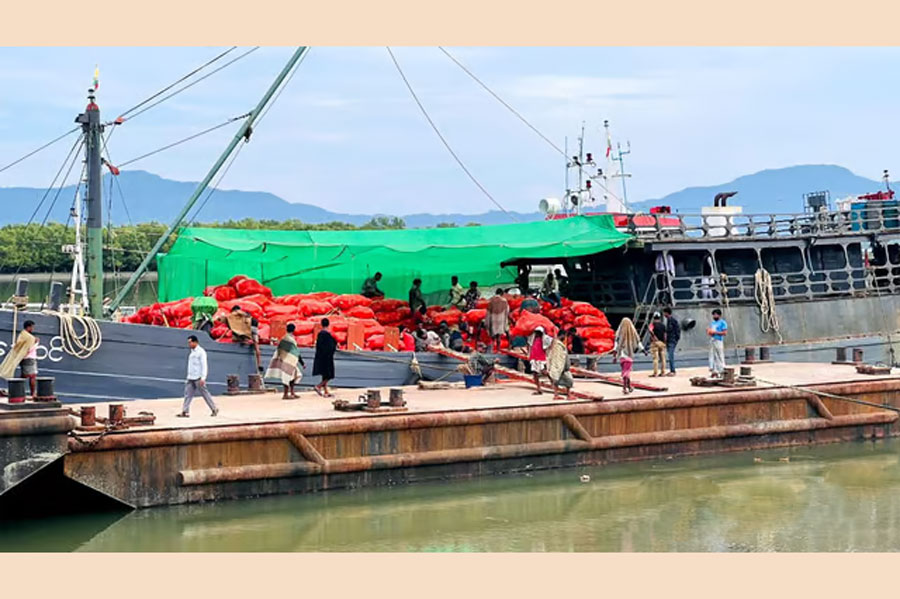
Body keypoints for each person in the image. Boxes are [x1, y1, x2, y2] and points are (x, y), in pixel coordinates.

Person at [177, 335, 218, 417]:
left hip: (198, 377)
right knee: (187, 394)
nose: (189, 344)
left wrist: (203, 377)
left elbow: (204, 365)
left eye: (190, 342)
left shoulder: (201, 352)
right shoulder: (192, 352)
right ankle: (185, 411)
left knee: (205, 393)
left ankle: (214, 408)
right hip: (191, 377)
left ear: (195, 342)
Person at [264, 323, 305, 399]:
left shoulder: (284, 339)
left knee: (294, 376)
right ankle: (285, 394)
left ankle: (292, 392)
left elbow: (280, 350)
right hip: (288, 361)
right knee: (287, 377)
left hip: (288, 361)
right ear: (294, 330)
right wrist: (302, 363)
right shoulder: (291, 340)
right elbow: (296, 352)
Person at [0, 320, 39, 397]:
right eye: (32, 327)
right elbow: (29, 348)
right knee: (32, 376)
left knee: (24, 376)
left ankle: (17, 391)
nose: (33, 328)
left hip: (23, 358)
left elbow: (19, 346)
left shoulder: (22, 335)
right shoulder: (30, 337)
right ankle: (32, 394)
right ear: (28, 327)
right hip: (29, 358)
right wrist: (36, 342)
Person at [219, 305, 260, 372]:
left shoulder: (237, 313)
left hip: (249, 327)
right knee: (256, 346)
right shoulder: (246, 315)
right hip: (254, 326)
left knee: (239, 336)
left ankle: (245, 340)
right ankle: (259, 364)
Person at [613, 317, 646, 395]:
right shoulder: (633, 333)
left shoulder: (619, 334)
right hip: (629, 356)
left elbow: (616, 344)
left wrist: (615, 356)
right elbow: (638, 342)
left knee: (625, 372)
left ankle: (629, 386)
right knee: (626, 373)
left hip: (622, 357)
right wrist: (644, 350)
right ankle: (625, 388)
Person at [313, 318, 337, 397]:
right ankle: (318, 386)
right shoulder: (327, 335)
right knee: (329, 375)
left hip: (321, 357)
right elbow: (330, 346)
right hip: (327, 357)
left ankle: (326, 391)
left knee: (325, 374)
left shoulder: (320, 334)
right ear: (328, 324)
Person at [547, 333, 574, 401]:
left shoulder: (557, 344)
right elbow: (560, 356)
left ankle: (557, 395)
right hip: (560, 365)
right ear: (562, 335)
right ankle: (567, 395)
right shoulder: (558, 345)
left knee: (558, 380)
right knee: (568, 380)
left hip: (558, 365)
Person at [528, 326, 552, 395]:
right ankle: (539, 389)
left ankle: (553, 382)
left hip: (540, 357)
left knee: (544, 371)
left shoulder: (544, 339)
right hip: (534, 357)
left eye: (539, 332)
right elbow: (529, 345)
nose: (537, 334)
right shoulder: (532, 338)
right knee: (535, 373)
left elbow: (551, 341)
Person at [708, 308, 728, 378]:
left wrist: (715, 332)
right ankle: (714, 371)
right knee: (713, 355)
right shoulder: (712, 323)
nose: (714, 316)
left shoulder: (723, 323)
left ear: (719, 315)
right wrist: (709, 332)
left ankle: (722, 370)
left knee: (720, 355)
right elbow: (711, 331)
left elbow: (724, 333)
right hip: (712, 340)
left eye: (715, 315)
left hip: (718, 340)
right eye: (713, 315)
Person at [648, 312, 667, 377]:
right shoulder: (663, 325)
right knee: (663, 359)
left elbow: (650, 330)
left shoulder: (652, 324)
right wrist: (665, 342)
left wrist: (654, 336)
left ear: (653, 317)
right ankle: (663, 372)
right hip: (662, 342)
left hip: (655, 343)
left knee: (655, 359)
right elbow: (665, 335)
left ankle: (655, 373)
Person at [663, 307, 681, 376]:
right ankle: (672, 370)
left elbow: (677, 330)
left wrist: (676, 339)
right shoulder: (669, 320)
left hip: (672, 340)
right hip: (669, 340)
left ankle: (673, 371)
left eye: (664, 313)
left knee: (670, 355)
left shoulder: (673, 321)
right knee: (670, 355)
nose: (664, 314)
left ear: (667, 313)